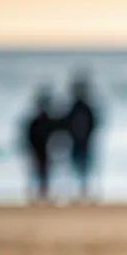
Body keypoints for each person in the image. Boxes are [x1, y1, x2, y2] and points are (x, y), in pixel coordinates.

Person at [62, 71, 100, 203]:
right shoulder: (80, 107)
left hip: (83, 142)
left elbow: (93, 124)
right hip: (79, 142)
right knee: (79, 168)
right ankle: (80, 192)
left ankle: (83, 192)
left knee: (82, 167)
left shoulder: (81, 108)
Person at [23, 88, 55, 204]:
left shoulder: (41, 120)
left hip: (43, 150)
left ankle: (41, 194)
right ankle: (37, 194)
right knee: (39, 173)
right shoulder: (39, 121)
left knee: (42, 173)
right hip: (38, 149)